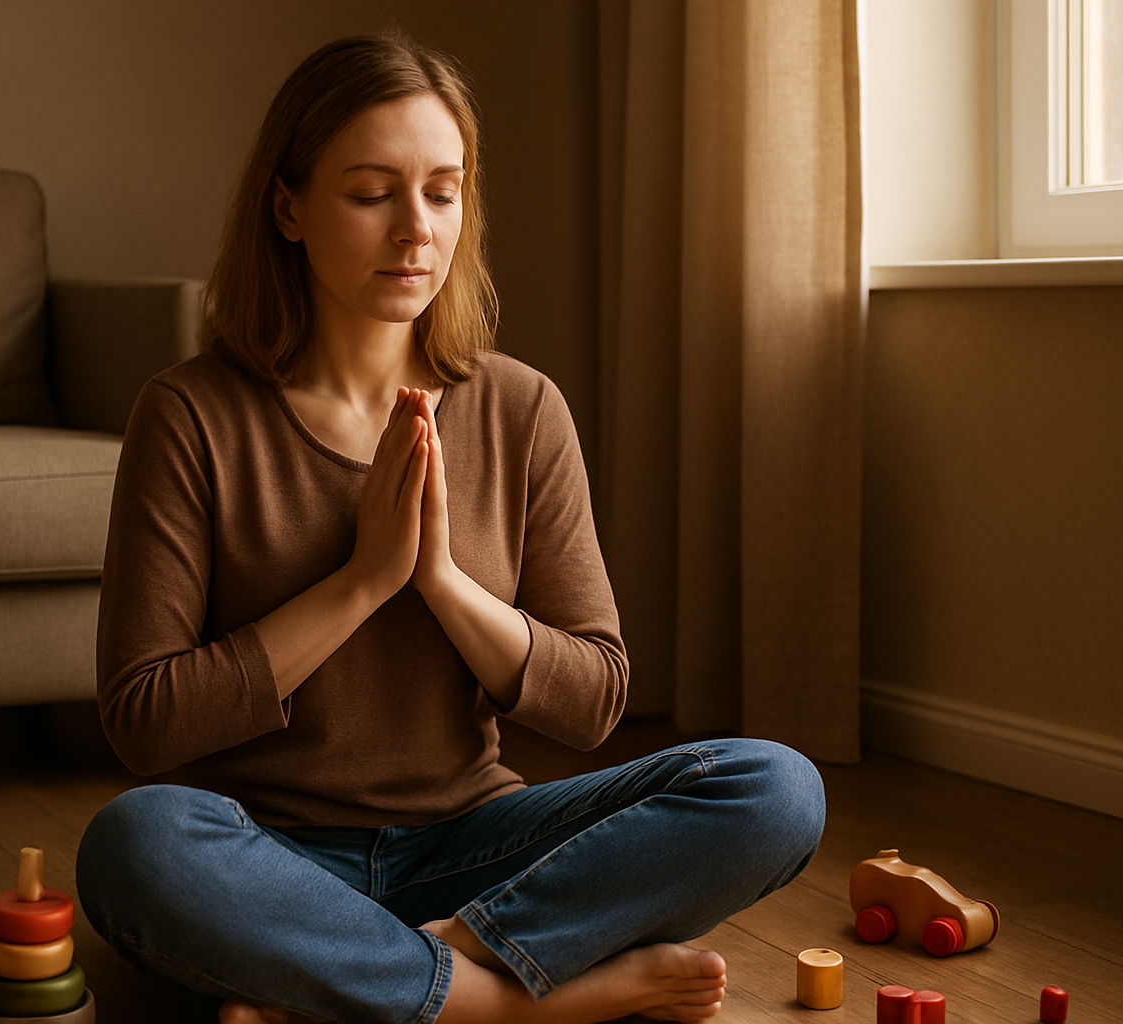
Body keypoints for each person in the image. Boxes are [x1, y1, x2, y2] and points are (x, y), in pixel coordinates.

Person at [75, 32, 824, 1024]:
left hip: (476, 851)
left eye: (442, 189)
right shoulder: (190, 413)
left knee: (776, 789)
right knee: (135, 844)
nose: (415, 230)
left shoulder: (521, 408)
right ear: (289, 207)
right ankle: (515, 1003)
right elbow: (144, 718)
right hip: (268, 858)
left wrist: (441, 582)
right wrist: (362, 581)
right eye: (372, 191)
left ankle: (388, 977)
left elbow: (595, 696)